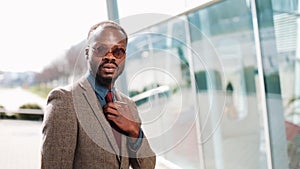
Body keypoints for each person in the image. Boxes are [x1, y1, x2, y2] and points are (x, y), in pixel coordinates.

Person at [41, 20, 156, 169]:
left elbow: (148, 167)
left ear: (124, 56)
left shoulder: (130, 106)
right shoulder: (65, 100)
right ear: (87, 53)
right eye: (101, 49)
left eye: (118, 51)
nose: (110, 57)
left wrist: (134, 131)